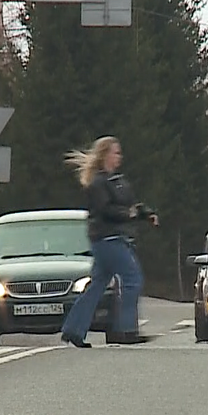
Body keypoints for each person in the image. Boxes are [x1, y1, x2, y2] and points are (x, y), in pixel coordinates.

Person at [59, 136, 158, 348]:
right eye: (115, 152)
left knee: (97, 286)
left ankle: (73, 330)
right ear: (105, 155)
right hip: (107, 239)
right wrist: (128, 214)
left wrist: (146, 214)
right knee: (133, 278)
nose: (119, 156)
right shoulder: (97, 183)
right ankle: (127, 329)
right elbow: (105, 210)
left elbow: (133, 205)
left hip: (116, 238)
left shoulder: (119, 181)